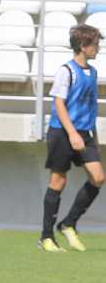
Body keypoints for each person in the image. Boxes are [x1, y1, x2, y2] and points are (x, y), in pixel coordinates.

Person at [40, 23, 103, 252]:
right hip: (62, 132)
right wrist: (72, 133)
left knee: (98, 177)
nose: (98, 48)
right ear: (83, 45)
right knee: (58, 181)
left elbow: (89, 106)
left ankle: (68, 224)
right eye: (95, 44)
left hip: (85, 133)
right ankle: (46, 237)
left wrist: (92, 135)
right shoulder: (66, 71)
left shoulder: (93, 72)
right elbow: (59, 103)